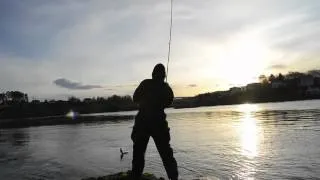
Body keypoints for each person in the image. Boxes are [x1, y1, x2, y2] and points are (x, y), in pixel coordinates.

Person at [131, 63, 178, 180]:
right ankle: (174, 178)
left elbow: (135, 98)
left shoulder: (145, 83)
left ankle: (136, 177)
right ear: (164, 76)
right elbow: (169, 102)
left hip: (142, 122)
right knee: (166, 155)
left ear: (153, 74)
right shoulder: (167, 88)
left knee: (138, 154)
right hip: (159, 124)